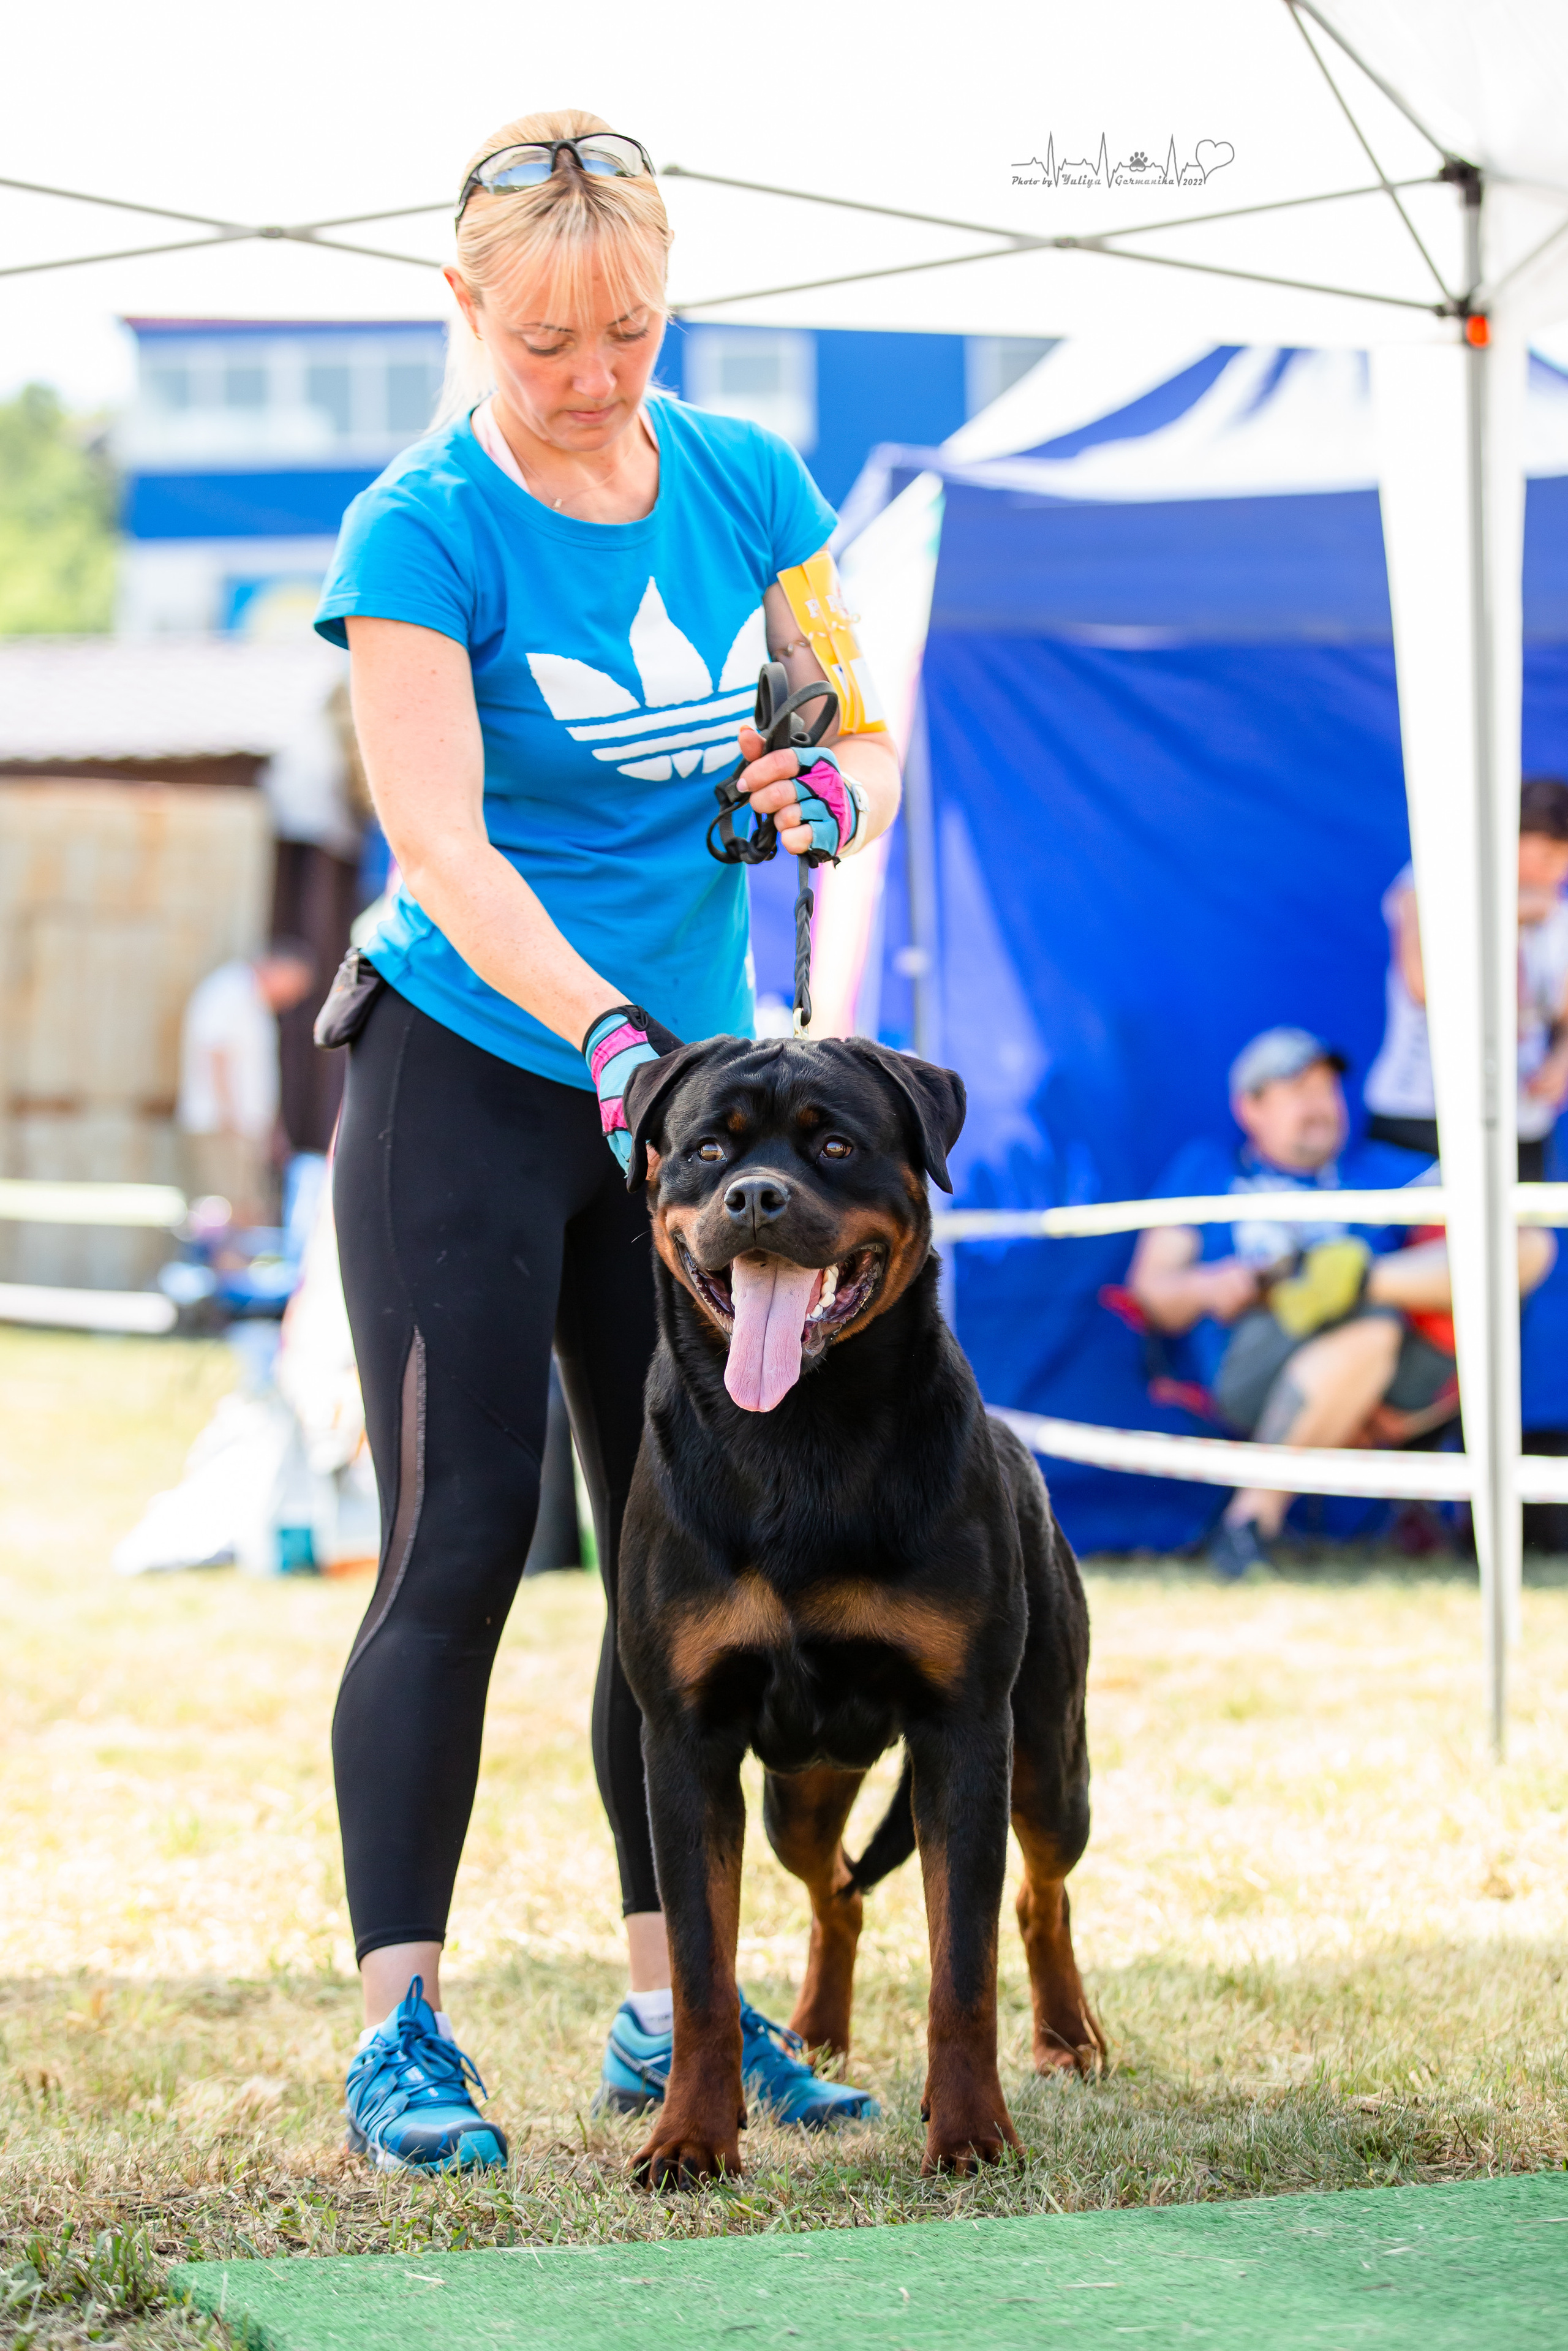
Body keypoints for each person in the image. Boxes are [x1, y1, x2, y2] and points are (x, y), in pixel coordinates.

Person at [312, 109, 902, 2172]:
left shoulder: (749, 480)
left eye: (629, 333)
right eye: (549, 339)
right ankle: (403, 2024)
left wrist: (820, 795)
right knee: (466, 1541)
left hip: (687, 1106)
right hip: (479, 1070)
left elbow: (857, 728)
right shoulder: (420, 529)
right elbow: (442, 842)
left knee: (678, 1555)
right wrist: (609, 1029)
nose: (590, 376)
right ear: (464, 306)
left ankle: (674, 2003)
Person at [1129, 1027, 1555, 1578]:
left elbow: (1523, 1247)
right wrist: (1211, 1285)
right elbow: (1152, 1289)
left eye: (1328, 1090)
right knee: (1369, 1334)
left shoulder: (1382, 1172)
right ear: (1250, 1107)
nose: (1319, 1104)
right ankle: (1252, 1516)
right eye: (1298, 1089)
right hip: (1255, 1362)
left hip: (1397, 1370)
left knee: (1519, 1247)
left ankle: (1248, 1521)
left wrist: (1364, 1281)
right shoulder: (1211, 1171)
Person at [1363, 777, 1568, 1182]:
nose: (1556, 873)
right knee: (1421, 1242)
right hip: (1422, 1112)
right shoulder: (1433, 880)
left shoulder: (1556, 912)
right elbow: (1423, 983)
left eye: (1564, 859)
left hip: (1519, 1122)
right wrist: (1507, 911)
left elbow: (1563, 1011)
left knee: (1522, 1243)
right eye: (1545, 857)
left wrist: (1560, 1063)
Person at [176, 940, 315, 1227]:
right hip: (225, 1125)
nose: (293, 997)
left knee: (248, 1206)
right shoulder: (229, 990)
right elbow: (215, 1052)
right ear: (277, 968)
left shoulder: (255, 1001)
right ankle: (224, 1268)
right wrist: (229, 1116)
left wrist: (273, 1131)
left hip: (245, 1127)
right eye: (294, 985)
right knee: (229, 1207)